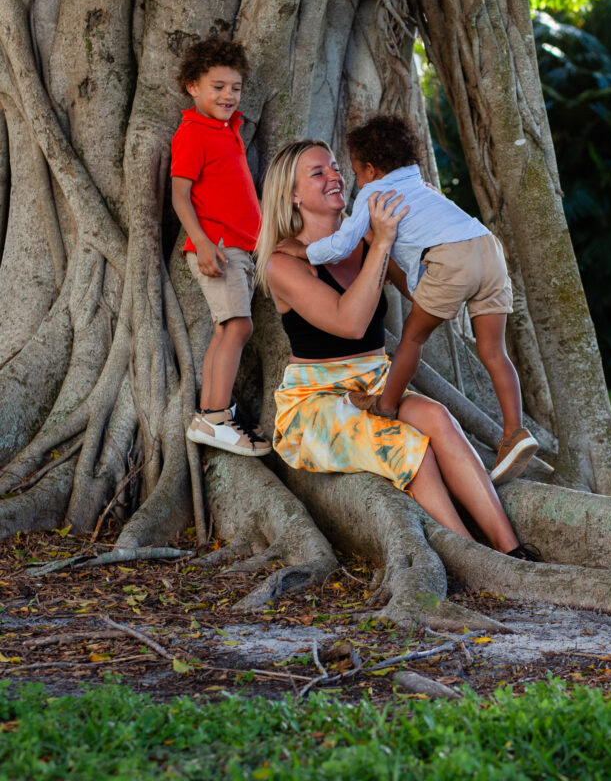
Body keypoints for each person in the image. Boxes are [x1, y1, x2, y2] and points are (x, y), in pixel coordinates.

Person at [256, 138, 539, 557]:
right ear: (292, 195)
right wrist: (383, 243)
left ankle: (511, 551)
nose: (334, 176)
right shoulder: (284, 263)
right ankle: (473, 557)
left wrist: (444, 237)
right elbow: (349, 324)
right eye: (318, 173)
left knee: (438, 418)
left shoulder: (368, 239)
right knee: (411, 449)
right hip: (316, 401)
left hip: (375, 385)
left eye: (335, 167)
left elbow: (424, 293)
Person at [171, 36, 270, 456]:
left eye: (235, 87)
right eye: (218, 87)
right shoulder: (193, 132)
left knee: (226, 328)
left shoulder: (228, 129)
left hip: (241, 249)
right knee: (239, 327)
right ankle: (215, 418)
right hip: (219, 248)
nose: (228, 95)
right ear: (193, 86)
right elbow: (180, 193)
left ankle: (211, 416)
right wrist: (205, 242)